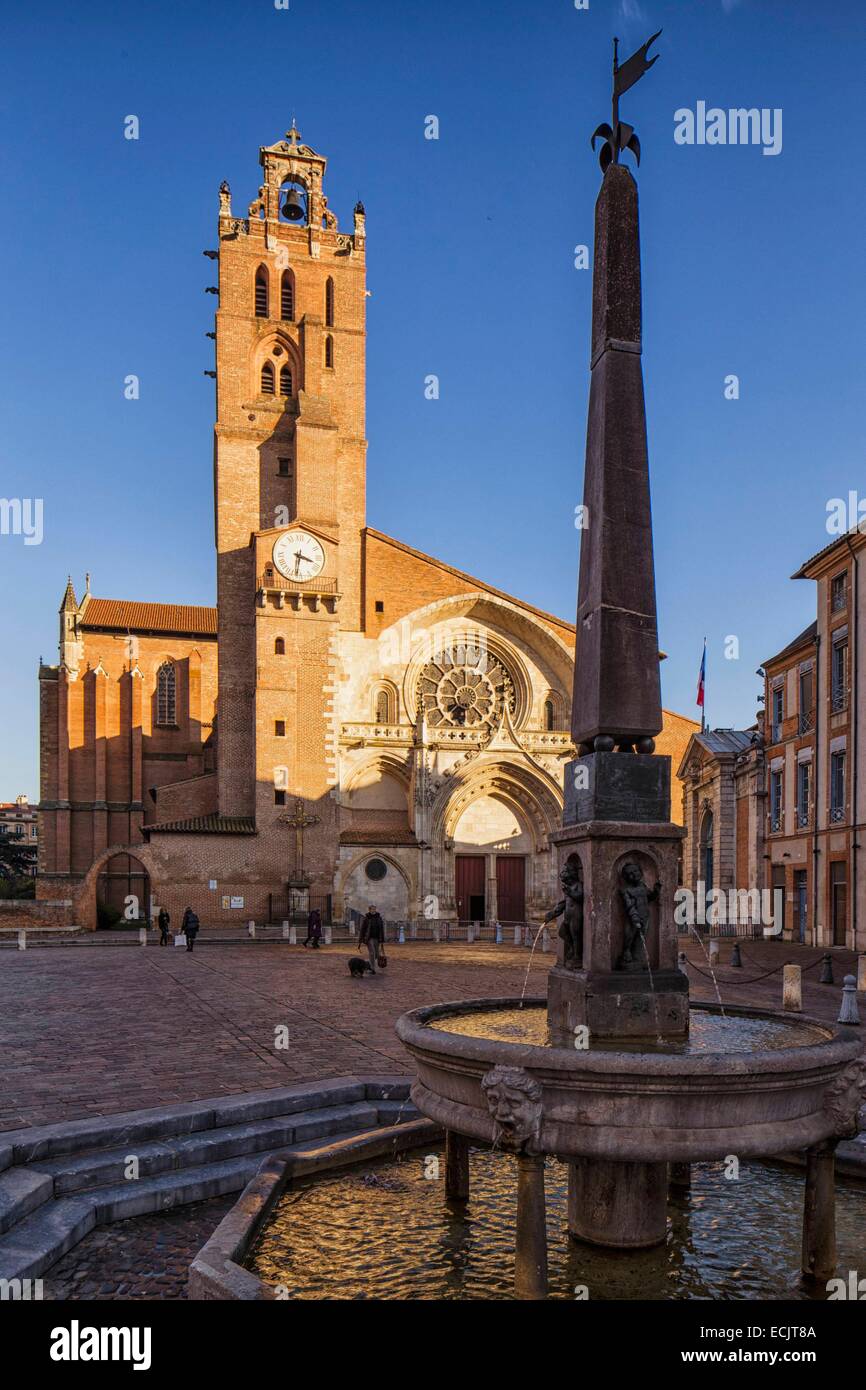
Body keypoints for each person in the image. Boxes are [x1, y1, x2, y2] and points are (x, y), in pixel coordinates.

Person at [359, 904, 384, 975]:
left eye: (374, 909)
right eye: (372, 909)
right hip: (369, 938)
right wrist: (361, 939)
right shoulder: (366, 918)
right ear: (369, 910)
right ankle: (372, 968)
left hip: (377, 938)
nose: (373, 910)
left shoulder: (379, 918)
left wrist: (382, 939)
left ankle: (368, 963)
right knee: (372, 952)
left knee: (377, 954)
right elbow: (362, 929)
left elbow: (381, 929)